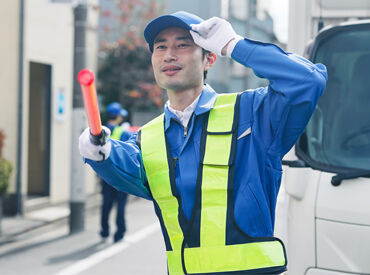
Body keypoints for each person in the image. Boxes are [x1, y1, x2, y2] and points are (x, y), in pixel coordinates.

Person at [79, 11, 327, 274]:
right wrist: (100, 151)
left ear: (209, 57)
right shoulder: (149, 139)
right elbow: (122, 160)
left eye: (182, 44)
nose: (169, 55)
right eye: (160, 46)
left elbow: (307, 81)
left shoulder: (253, 113)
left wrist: (234, 45)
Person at [99, 102, 130, 243]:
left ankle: (104, 230)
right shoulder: (123, 132)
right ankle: (119, 233)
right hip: (121, 175)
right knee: (121, 205)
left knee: (106, 203)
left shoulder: (99, 131)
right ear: (118, 116)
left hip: (105, 174)